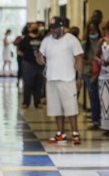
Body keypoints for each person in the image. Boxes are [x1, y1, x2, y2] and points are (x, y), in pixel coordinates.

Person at [36, 16, 84, 145]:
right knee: (56, 108)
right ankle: (60, 133)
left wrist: (80, 77)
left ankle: (75, 133)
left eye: (56, 28)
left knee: (71, 107)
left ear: (62, 27)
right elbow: (41, 58)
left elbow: (79, 58)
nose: (53, 31)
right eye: (51, 28)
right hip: (52, 79)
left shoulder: (71, 40)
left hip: (67, 79)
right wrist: (39, 57)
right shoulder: (46, 41)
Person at [17, 22, 45, 109]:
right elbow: (19, 50)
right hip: (28, 64)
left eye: (36, 27)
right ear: (29, 29)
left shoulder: (42, 39)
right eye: (33, 27)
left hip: (40, 64)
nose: (36, 28)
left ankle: (38, 102)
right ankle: (26, 102)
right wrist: (26, 57)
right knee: (28, 84)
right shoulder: (25, 39)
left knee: (39, 84)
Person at [82, 22, 102, 129]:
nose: (93, 32)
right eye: (91, 30)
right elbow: (82, 60)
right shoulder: (84, 44)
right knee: (93, 97)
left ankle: (103, 118)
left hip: (101, 73)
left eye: (95, 30)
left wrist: (95, 62)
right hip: (88, 73)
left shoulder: (102, 43)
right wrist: (93, 63)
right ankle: (96, 120)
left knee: (102, 97)